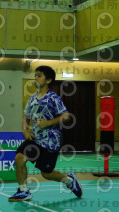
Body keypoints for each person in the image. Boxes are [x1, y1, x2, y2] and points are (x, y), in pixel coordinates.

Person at [8, 66, 82, 202]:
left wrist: (48, 123)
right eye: (35, 75)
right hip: (35, 139)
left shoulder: (53, 98)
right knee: (19, 158)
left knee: (46, 174)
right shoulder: (32, 99)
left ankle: (69, 181)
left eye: (39, 76)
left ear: (48, 80)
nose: (35, 78)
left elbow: (66, 116)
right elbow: (26, 118)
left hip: (50, 142)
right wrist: (25, 131)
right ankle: (23, 191)